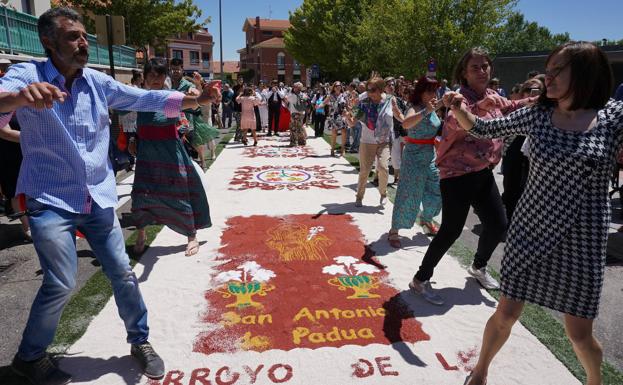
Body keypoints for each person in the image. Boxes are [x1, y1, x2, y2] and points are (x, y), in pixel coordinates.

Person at [0, 7, 218, 384]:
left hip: (98, 197)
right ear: (48, 42)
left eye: (84, 35)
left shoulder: (99, 83)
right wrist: (20, 97)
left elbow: (146, 98)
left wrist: (196, 102)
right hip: (50, 199)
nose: (83, 42)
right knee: (62, 281)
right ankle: (28, 358)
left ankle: (140, 341)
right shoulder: (27, 75)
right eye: (73, 36)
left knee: (123, 273)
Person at [446, 41, 621, 385]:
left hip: (582, 239)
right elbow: (483, 129)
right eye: (548, 68)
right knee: (506, 313)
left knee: (579, 333)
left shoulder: (613, 117)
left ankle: (594, 381)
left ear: (584, 74)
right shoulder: (538, 114)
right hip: (531, 230)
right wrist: (457, 107)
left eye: (558, 70)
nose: (548, 77)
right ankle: (480, 372)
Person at [409, 47, 534, 305]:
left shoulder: (493, 94)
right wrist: (478, 107)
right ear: (464, 73)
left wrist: (536, 100)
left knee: (499, 224)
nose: (482, 71)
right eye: (475, 67)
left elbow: (510, 106)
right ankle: (420, 280)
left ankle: (478, 267)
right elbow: (456, 122)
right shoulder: (458, 97)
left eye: (485, 66)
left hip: (483, 172)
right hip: (456, 175)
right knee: (451, 230)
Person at [388, 77, 443, 248]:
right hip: (413, 156)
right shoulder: (416, 108)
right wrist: (426, 111)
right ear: (420, 92)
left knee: (436, 189)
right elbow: (406, 123)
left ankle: (426, 219)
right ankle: (395, 229)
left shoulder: (433, 107)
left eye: (435, 91)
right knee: (408, 192)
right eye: (429, 91)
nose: (433, 94)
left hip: (430, 155)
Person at [345, 76, 393, 207]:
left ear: (380, 89)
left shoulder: (390, 100)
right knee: (365, 170)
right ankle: (359, 197)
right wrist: (349, 114)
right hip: (367, 141)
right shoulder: (363, 102)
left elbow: (399, 115)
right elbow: (352, 123)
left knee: (383, 168)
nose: (369, 92)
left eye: (372, 89)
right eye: (368, 89)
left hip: (384, 141)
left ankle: (383, 194)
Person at [501, 77, 544, 221]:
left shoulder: (549, 113)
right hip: (514, 151)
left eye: (538, 90)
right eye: (528, 90)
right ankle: (508, 219)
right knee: (511, 186)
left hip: (534, 156)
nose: (532, 93)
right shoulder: (516, 110)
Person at [0, 116, 30, 240]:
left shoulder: (25, 104)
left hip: (30, 151)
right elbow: (5, 132)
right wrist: (38, 138)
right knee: (15, 190)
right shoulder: (4, 103)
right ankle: (27, 226)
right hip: (8, 153)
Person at [327, 81, 348, 157]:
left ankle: (343, 149)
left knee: (344, 132)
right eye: (336, 86)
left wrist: (350, 113)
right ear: (334, 87)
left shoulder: (344, 95)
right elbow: (324, 102)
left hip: (342, 115)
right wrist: (319, 106)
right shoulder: (331, 95)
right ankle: (332, 149)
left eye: (339, 85)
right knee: (334, 133)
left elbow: (348, 105)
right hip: (334, 116)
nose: (338, 87)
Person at [286, 81, 308, 146]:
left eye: (294, 87)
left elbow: (287, 99)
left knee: (293, 128)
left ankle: (293, 142)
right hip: (301, 113)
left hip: (294, 113)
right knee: (299, 127)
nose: (293, 88)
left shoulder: (292, 95)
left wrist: (290, 91)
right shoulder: (304, 95)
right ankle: (302, 141)